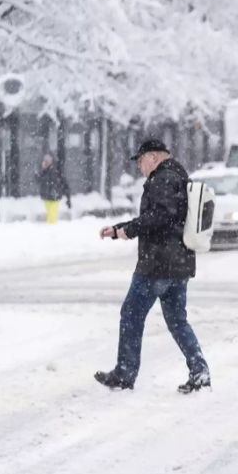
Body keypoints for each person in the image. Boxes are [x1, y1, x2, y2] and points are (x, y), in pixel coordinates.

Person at [95, 139, 211, 394]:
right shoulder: (179, 176)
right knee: (178, 321)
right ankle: (199, 370)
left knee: (131, 315)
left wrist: (127, 230)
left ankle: (125, 373)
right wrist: (120, 229)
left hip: (157, 263)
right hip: (179, 263)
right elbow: (164, 216)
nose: (139, 165)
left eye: (140, 159)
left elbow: (159, 217)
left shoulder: (163, 178)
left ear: (154, 157)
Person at [35, 152, 71, 224]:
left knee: (52, 213)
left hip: (55, 196)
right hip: (46, 196)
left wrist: (68, 198)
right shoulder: (44, 171)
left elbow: (64, 183)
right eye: (45, 161)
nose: (46, 162)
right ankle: (50, 228)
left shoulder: (57, 170)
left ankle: (52, 228)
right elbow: (38, 180)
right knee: (50, 213)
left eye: (47, 161)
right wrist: (40, 171)